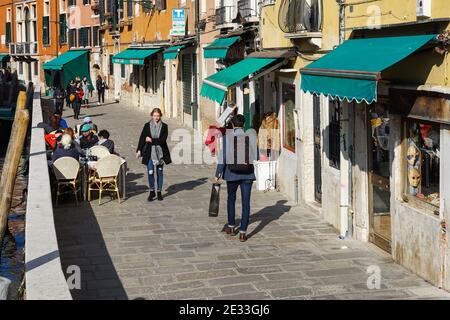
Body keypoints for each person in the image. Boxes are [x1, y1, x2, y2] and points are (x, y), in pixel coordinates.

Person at [214, 114, 257, 242]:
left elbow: (223, 157)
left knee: (231, 199)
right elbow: (256, 157)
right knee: (246, 203)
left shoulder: (228, 137)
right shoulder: (251, 137)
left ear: (232, 125)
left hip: (231, 174)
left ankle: (232, 227)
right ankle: (243, 233)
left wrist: (218, 174)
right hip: (247, 174)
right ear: (244, 125)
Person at [136, 108, 172, 202]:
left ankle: (159, 192)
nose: (156, 118)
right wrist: (139, 150)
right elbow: (142, 138)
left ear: (160, 116)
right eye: (155, 116)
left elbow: (162, 140)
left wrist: (151, 140)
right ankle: (152, 191)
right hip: (149, 153)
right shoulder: (147, 125)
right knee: (150, 172)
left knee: (159, 172)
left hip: (160, 153)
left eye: (158, 116)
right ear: (152, 116)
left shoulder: (164, 126)